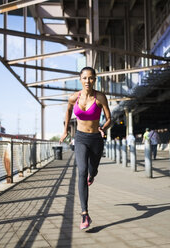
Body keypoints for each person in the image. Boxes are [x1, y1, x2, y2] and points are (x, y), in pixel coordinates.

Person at [59, 66, 111, 230]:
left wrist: (104, 128)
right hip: (80, 138)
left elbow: (109, 118)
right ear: (80, 79)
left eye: (91, 78)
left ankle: (92, 174)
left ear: (95, 79)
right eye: (85, 78)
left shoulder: (100, 97)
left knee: (92, 170)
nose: (88, 81)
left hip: (96, 139)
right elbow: (68, 112)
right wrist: (66, 130)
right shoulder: (73, 97)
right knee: (81, 171)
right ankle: (84, 214)